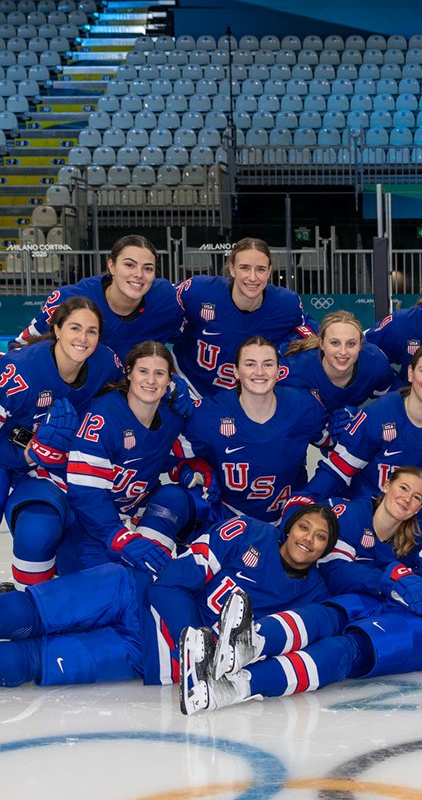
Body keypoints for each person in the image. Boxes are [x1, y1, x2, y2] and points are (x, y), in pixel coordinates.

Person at [179, 467, 422, 712]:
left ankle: (238, 687)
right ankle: (249, 642)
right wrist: (393, 576)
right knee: (332, 613)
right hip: (394, 596)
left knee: (348, 647)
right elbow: (378, 557)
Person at [0, 502, 339, 690]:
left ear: (326, 549)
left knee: (27, 662)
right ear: (289, 527)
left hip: (151, 654)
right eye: (304, 527)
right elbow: (171, 582)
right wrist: (196, 642)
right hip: (133, 591)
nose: (309, 539)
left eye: (320, 537)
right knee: (24, 612)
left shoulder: (313, 594)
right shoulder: (248, 532)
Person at [0, 297, 124, 588]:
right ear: (56, 329)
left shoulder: (106, 363)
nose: (83, 338)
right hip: (18, 467)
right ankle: (27, 603)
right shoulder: (19, 371)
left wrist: (169, 389)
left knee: (98, 572)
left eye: (91, 331)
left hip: (73, 472)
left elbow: (134, 401)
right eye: (75, 328)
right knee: (37, 531)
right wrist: (28, 454)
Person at [171, 335, 327, 534]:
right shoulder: (210, 414)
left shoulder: (303, 406)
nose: (259, 372)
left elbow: (336, 449)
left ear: (279, 371)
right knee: (171, 498)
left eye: (268, 364)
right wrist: (193, 468)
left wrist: (347, 420)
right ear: (236, 371)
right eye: (250, 364)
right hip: (226, 516)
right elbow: (165, 456)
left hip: (287, 519)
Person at [63, 341, 191, 575]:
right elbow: (85, 493)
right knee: (108, 583)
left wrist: (191, 469)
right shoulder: (103, 416)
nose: (151, 380)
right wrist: (118, 536)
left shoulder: (172, 418)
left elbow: (177, 457)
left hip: (132, 509)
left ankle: (152, 559)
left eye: (159, 373)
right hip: (90, 521)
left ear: (170, 380)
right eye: (143, 371)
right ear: (129, 372)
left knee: (176, 498)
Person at [304, 343, 422, 512]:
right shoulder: (379, 413)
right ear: (410, 373)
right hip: (369, 517)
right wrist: (305, 500)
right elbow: (337, 471)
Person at [173, 237, 317, 397]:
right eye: (244, 268)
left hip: (250, 398)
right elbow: (158, 308)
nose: (253, 277)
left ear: (269, 271)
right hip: (191, 387)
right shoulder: (199, 291)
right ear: (232, 268)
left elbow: (310, 332)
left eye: (261, 269)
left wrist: (286, 352)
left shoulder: (286, 305)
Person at [16, 235, 183, 360]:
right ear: (111, 265)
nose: (138, 274)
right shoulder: (69, 299)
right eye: (129, 265)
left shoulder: (167, 300)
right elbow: (20, 348)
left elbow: (192, 340)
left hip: (135, 396)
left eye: (148, 268)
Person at [280, 310, 395, 413]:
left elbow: (396, 399)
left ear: (360, 345)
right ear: (322, 344)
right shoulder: (294, 368)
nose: (343, 351)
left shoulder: (375, 363)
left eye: (351, 344)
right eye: (335, 343)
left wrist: (364, 421)